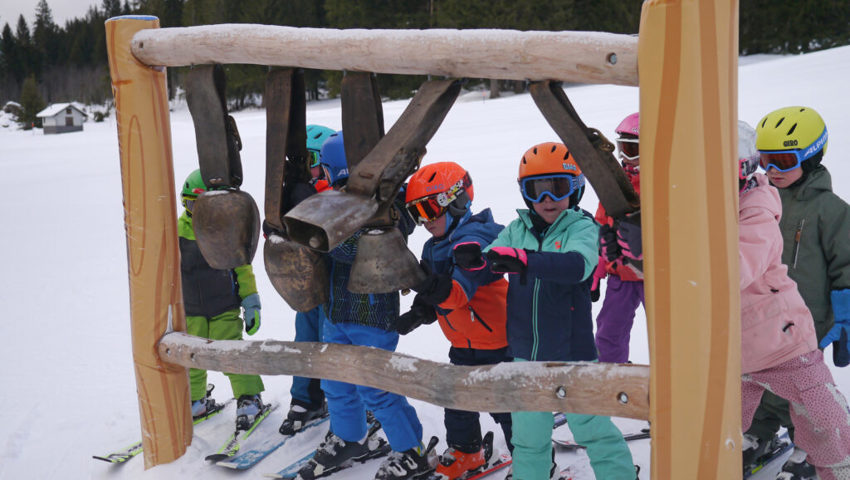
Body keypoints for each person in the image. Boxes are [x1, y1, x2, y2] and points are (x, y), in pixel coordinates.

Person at [456, 142, 636, 480]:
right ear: (526, 194)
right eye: (536, 191)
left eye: (558, 188)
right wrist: (475, 259)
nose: (547, 200)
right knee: (528, 440)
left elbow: (577, 266)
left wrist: (523, 260)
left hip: (574, 356)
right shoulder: (517, 229)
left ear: (576, 189)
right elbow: (490, 259)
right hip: (525, 356)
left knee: (594, 431)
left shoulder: (581, 227)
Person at [296, 131, 438, 480]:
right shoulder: (331, 203)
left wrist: (315, 237)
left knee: (377, 386)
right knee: (337, 382)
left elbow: (354, 246)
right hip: (336, 312)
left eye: (326, 173)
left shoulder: (389, 210)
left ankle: (411, 450)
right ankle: (349, 438)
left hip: (372, 315)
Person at [734, 120, 850, 480]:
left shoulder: (827, 208)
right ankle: (759, 435)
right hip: (743, 333)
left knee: (812, 408)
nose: (772, 170)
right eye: (767, 160)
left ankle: (816, 454)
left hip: (794, 322)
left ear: (811, 158)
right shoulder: (741, 197)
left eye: (782, 162)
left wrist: (844, 311)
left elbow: (845, 259)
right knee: (762, 400)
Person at [400, 161, 513, 480]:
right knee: (457, 398)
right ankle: (466, 451)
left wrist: (424, 285)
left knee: (505, 405)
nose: (425, 221)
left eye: (430, 208)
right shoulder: (432, 245)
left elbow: (457, 293)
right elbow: (437, 290)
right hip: (463, 342)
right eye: (417, 213)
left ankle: (532, 459)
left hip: (499, 343)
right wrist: (421, 310)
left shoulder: (474, 242)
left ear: (457, 200)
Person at [179, 169, 267, 430]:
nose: (195, 211)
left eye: (200, 205)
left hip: (223, 308)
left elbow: (242, 268)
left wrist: (251, 301)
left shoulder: (225, 231)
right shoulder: (175, 231)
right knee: (192, 357)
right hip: (191, 310)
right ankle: (195, 400)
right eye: (189, 204)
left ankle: (249, 398)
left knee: (232, 354)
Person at [279, 124, 336, 436]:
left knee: (335, 343)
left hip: (337, 290)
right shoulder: (297, 194)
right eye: (301, 163)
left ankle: (351, 402)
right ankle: (306, 399)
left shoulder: (337, 193)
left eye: (312, 160)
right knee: (306, 340)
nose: (308, 170)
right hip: (307, 288)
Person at [591, 112, 645, 363]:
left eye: (632, 150)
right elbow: (602, 223)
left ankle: (673, 381)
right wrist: (599, 266)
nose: (625, 158)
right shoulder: (615, 181)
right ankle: (612, 376)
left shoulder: (664, 183)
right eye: (622, 149)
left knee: (669, 332)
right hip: (620, 274)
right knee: (609, 332)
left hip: (654, 277)